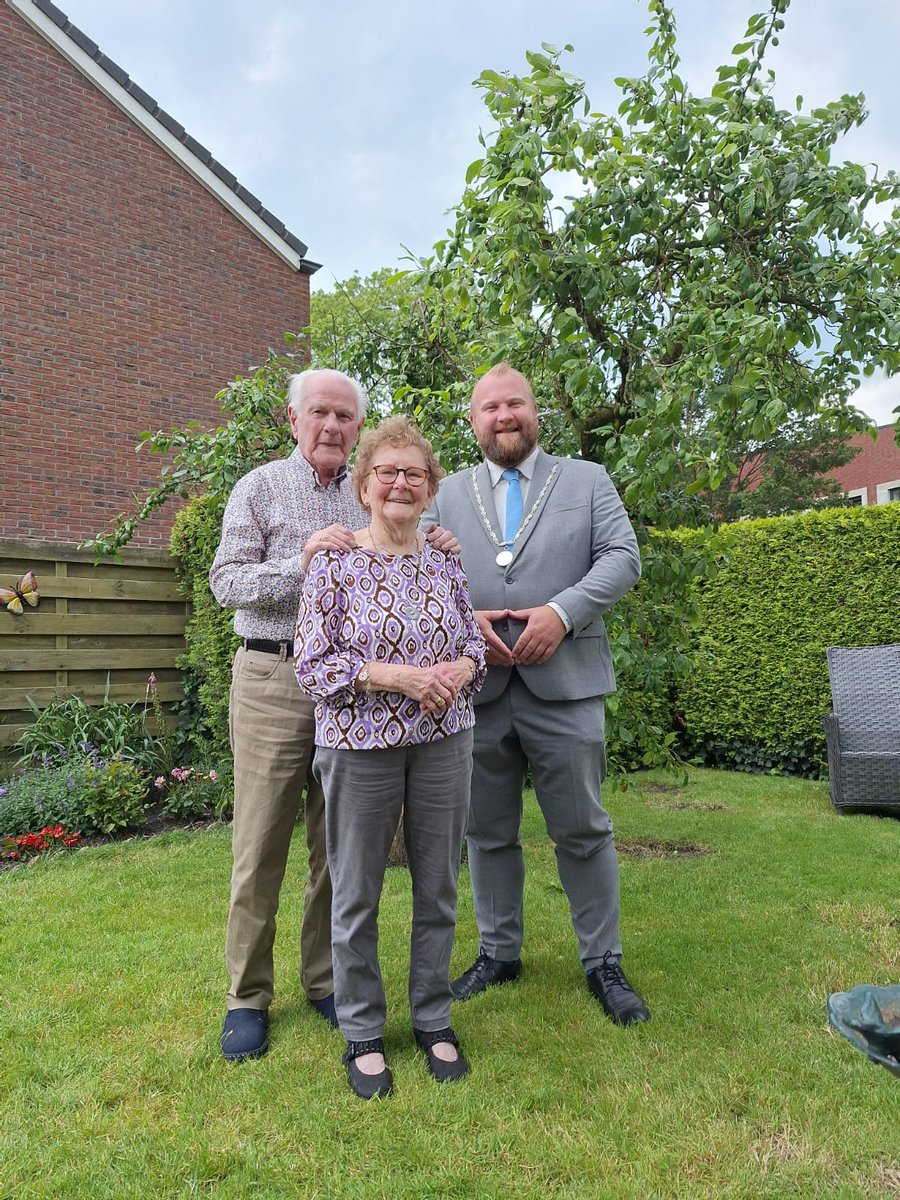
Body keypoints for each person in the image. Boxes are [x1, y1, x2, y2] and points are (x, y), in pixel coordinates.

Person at [209, 370, 458, 1064]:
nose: (331, 426)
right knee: (260, 843)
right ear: (293, 418)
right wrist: (301, 560)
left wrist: (438, 543)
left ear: (358, 428)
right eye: (319, 412)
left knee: (336, 850)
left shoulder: (368, 488)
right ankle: (247, 998)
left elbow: (402, 541)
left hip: (357, 700)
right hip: (274, 674)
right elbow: (226, 581)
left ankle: (325, 980)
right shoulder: (259, 487)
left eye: (345, 416)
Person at [421, 363, 651, 1026]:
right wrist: (467, 626)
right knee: (485, 831)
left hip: (567, 684)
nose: (503, 416)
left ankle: (602, 961)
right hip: (479, 689)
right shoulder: (446, 493)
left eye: (514, 403)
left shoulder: (586, 480)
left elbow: (622, 557)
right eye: (489, 407)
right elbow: (419, 567)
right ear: (473, 421)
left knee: (582, 828)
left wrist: (562, 611)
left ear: (535, 410)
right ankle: (499, 951)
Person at [295, 416, 486, 1099]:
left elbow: (475, 643)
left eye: (415, 474)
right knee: (356, 896)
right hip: (358, 748)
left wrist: (458, 673)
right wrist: (400, 677)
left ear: (431, 490)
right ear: (364, 486)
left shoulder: (445, 559)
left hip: (444, 742)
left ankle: (433, 1018)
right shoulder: (334, 561)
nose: (401, 483)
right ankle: (363, 1034)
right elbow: (312, 665)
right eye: (388, 472)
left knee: (437, 887)